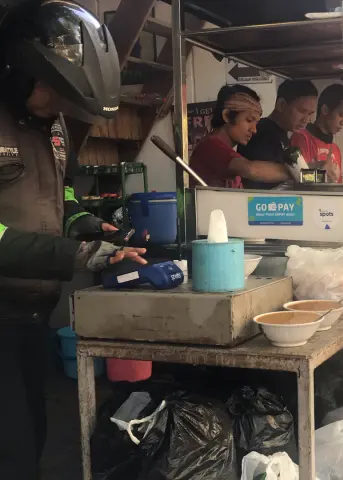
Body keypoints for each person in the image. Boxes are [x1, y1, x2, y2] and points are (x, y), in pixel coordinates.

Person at [0, 2, 146, 479]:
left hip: (33, 317)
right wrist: (80, 253)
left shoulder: (56, 127)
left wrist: (85, 223)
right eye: (51, 92)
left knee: (35, 439)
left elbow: (63, 193)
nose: (59, 106)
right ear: (19, 74)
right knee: (14, 452)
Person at [189, 85, 293, 188]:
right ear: (227, 116)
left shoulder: (224, 150)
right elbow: (251, 170)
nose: (254, 130)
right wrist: (296, 172)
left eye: (255, 123)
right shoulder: (210, 146)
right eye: (249, 120)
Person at [238, 79, 318, 189]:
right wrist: (308, 171)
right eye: (302, 111)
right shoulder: (262, 134)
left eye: (310, 113)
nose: (307, 119)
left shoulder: (281, 134)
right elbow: (257, 177)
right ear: (281, 105)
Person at [290, 83, 343, 183]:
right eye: (341, 115)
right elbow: (300, 180)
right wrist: (321, 174)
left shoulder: (335, 149)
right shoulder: (302, 138)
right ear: (325, 110)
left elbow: (337, 186)